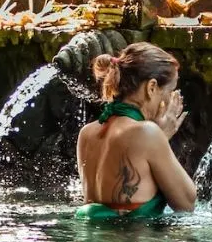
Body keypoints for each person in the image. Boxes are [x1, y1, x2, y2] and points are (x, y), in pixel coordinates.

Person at [75, 42, 197, 219]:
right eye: (170, 90)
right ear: (152, 87)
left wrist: (159, 138)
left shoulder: (86, 133)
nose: (171, 99)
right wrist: (161, 137)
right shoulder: (148, 134)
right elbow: (187, 203)